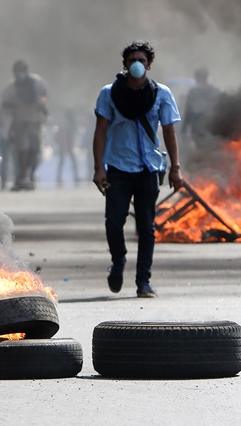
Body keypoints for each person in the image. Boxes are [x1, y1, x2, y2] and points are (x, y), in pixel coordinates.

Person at [93, 41, 184, 298]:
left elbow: (169, 131)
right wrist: (99, 168)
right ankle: (118, 261)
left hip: (148, 169)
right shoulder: (109, 94)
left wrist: (175, 168)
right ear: (125, 64)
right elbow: (100, 132)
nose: (136, 64)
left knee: (146, 227)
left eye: (141, 60)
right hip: (118, 169)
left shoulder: (161, 94)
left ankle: (143, 281)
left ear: (149, 65)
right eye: (132, 59)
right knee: (114, 221)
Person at [0, 59, 49, 191]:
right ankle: (21, 177)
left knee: (34, 150)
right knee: (22, 151)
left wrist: (42, 104)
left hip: (35, 120)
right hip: (19, 122)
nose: (20, 74)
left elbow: (44, 94)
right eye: (17, 71)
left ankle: (30, 176)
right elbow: (4, 104)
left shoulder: (37, 82)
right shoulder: (12, 87)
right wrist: (6, 125)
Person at [182, 67, 222, 151]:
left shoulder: (216, 92)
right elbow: (188, 113)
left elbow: (223, 113)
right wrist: (184, 131)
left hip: (212, 133)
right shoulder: (193, 93)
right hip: (199, 133)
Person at [55, 108, 80, 184]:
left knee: (62, 162)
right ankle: (75, 176)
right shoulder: (71, 124)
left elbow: (59, 135)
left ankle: (59, 177)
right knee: (72, 161)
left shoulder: (64, 123)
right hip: (68, 144)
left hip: (64, 144)